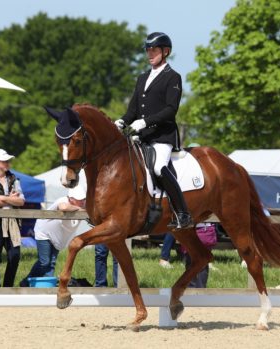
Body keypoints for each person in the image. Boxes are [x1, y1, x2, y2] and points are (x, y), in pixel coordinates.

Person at [115, 32, 192, 229]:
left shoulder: (173, 77)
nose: (150, 54)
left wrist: (145, 122)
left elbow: (170, 110)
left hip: (162, 137)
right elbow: (133, 110)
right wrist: (121, 122)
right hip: (143, 137)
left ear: (165, 52)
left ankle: (183, 213)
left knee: (158, 167)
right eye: (148, 50)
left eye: (154, 50)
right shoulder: (142, 78)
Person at [19, 186, 88, 287]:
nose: (82, 202)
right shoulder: (63, 200)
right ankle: (25, 282)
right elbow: (63, 207)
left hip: (57, 237)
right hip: (44, 232)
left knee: (52, 263)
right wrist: (79, 209)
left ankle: (47, 287)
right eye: (80, 200)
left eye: (83, 200)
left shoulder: (84, 206)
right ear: (71, 199)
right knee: (44, 262)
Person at [0, 148, 25, 287]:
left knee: (14, 256)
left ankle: (8, 287)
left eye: (8, 160)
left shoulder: (13, 179)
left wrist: (2, 198)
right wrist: (10, 199)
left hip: (12, 222)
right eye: (5, 160)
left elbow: (21, 201)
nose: (8, 162)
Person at [181, 222, 218, 288]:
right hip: (205, 231)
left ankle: (192, 289)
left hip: (191, 230)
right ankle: (200, 290)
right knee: (202, 264)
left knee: (190, 263)